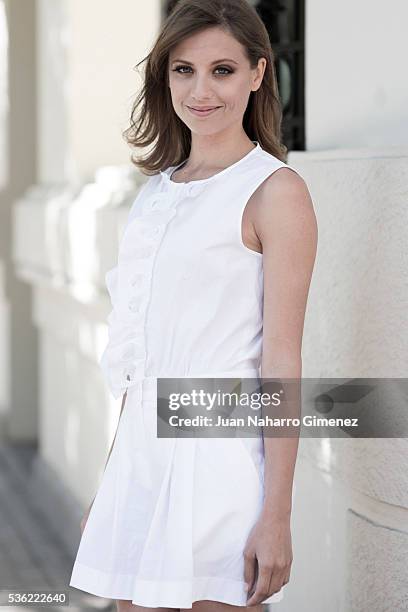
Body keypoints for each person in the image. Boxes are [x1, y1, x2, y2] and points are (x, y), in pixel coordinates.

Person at [69, 1, 317, 610]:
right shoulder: (154, 195)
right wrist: (112, 483)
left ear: (259, 73)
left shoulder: (274, 192)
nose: (200, 91)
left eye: (223, 71)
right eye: (184, 70)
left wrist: (277, 515)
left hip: (220, 465)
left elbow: (282, 360)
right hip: (141, 462)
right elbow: (137, 361)